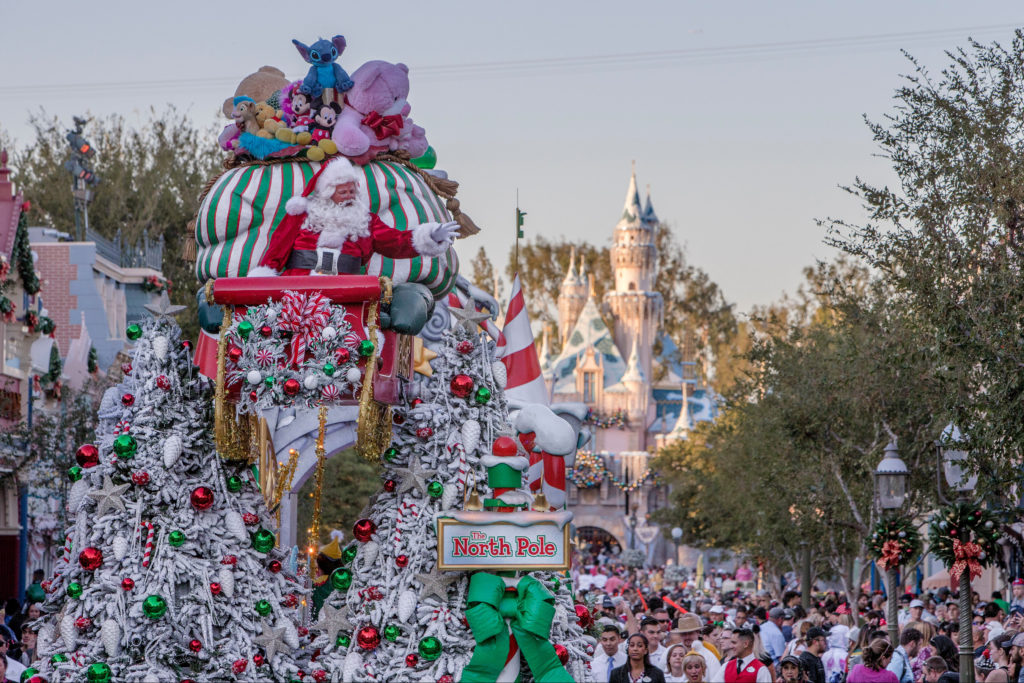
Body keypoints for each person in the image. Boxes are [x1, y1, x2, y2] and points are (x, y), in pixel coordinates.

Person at [253, 157, 458, 278]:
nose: (350, 197)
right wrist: (262, 282)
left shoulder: (365, 220)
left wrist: (430, 236)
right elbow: (277, 249)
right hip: (298, 288)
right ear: (327, 193)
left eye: (352, 191)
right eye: (343, 192)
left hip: (347, 291)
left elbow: (396, 241)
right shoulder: (303, 215)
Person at [677, 613, 722, 679]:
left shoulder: (709, 656)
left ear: (698, 633)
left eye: (690, 633)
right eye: (684, 634)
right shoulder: (671, 652)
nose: (687, 637)